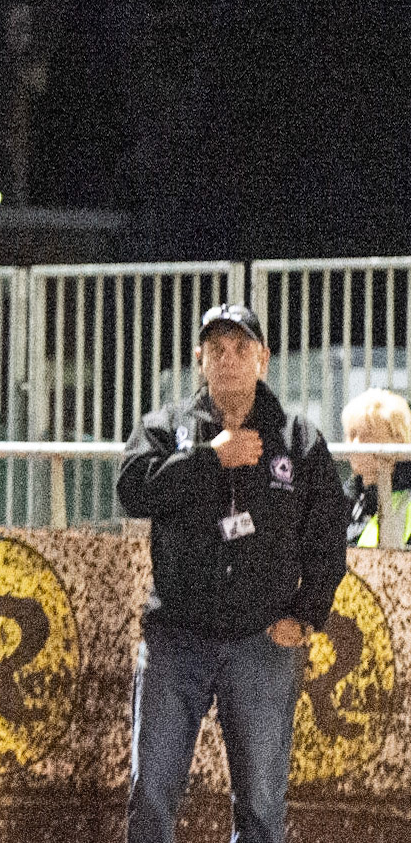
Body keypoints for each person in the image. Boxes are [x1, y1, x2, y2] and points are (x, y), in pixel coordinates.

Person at [116, 303, 349, 843]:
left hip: (262, 642)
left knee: (262, 808)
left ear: (263, 359)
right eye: (216, 349)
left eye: (241, 348)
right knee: (151, 796)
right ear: (200, 360)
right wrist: (209, 458)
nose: (228, 359)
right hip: (177, 638)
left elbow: (328, 534)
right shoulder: (164, 427)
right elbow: (131, 491)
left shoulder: (299, 440)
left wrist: (306, 613)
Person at [341, 387, 411, 548]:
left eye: (367, 435)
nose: (355, 445)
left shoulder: (405, 500)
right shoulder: (348, 497)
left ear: (398, 439)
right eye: (351, 435)